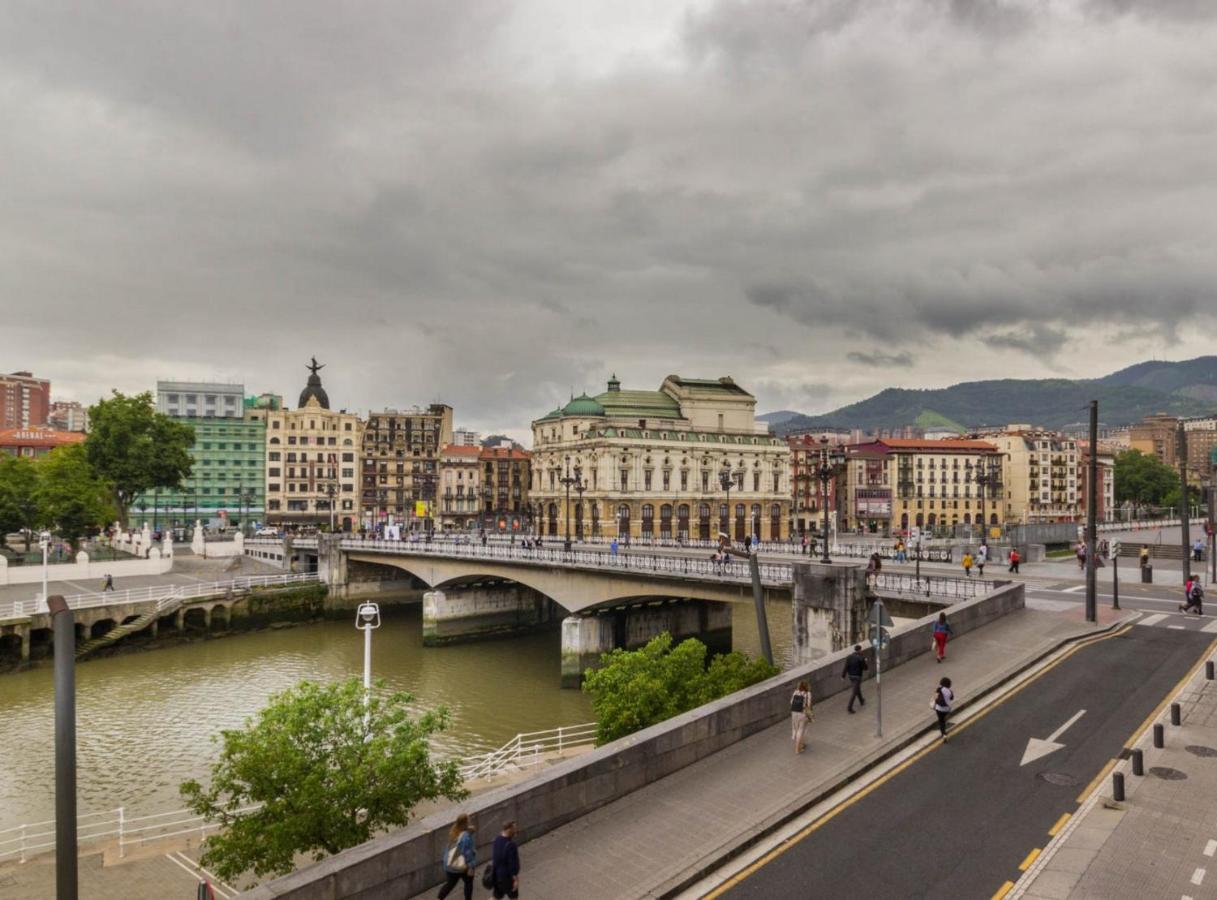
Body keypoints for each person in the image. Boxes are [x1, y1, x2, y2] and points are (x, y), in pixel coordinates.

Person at [437, 813, 476, 900]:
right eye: (468, 820)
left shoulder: (454, 831)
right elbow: (467, 852)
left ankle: (439, 898)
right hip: (461, 865)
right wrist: (471, 866)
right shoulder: (465, 836)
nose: (469, 821)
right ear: (465, 823)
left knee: (450, 884)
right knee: (469, 883)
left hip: (449, 864)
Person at [490, 820, 521, 899]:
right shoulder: (511, 845)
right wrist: (515, 879)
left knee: (496, 896)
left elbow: (495, 858)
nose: (516, 830)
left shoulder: (497, 840)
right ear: (509, 829)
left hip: (497, 876)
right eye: (514, 829)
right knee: (513, 897)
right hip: (508, 878)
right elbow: (512, 864)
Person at [842, 644, 868, 714]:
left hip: (851, 676)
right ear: (859, 650)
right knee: (854, 692)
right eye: (861, 650)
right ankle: (849, 707)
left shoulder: (849, 657)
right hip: (857, 677)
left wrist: (843, 676)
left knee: (857, 689)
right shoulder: (861, 658)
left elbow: (846, 667)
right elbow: (865, 668)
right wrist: (865, 661)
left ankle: (861, 701)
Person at [790, 680, 813, 753]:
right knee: (801, 730)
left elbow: (791, 702)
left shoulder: (795, 692)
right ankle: (797, 749)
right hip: (802, 713)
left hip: (794, 712)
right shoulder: (808, 693)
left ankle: (801, 744)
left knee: (796, 729)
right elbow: (808, 705)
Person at [933, 677, 954, 743]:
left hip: (939, 708)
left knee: (941, 721)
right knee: (943, 719)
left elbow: (935, 697)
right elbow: (951, 698)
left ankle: (944, 735)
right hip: (947, 709)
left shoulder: (939, 689)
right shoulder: (950, 691)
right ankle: (945, 725)